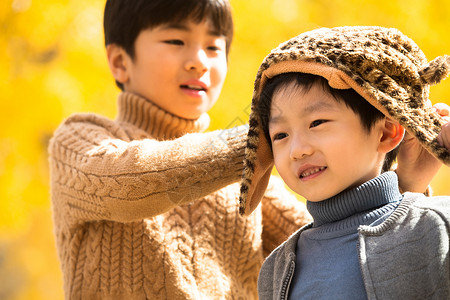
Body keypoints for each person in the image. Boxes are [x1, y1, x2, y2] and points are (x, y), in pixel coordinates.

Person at [47, 1, 446, 298]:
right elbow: (129, 180)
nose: (198, 62)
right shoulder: (81, 141)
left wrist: (406, 182)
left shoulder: (253, 171)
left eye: (214, 47)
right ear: (119, 61)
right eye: (176, 41)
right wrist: (271, 136)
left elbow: (339, 246)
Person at [238, 26, 450, 299]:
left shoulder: (436, 225)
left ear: (386, 132)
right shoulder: (277, 269)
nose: (297, 150)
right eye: (280, 135)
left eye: (317, 123)